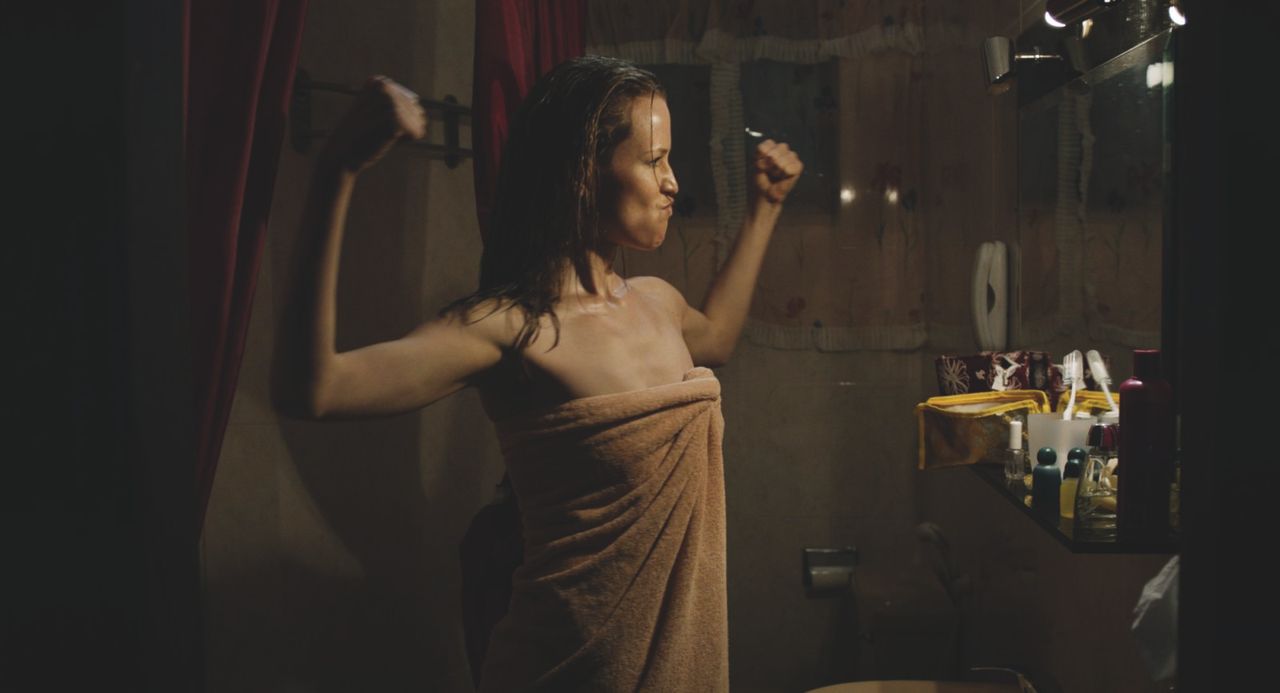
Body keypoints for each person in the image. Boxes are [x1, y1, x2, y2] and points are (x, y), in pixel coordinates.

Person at [278, 56, 802, 692]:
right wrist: (338, 169)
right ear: (583, 171)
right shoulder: (508, 327)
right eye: (654, 160)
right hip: (561, 670)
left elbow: (717, 335)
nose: (672, 182)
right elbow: (316, 389)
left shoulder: (658, 302)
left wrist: (766, 207)